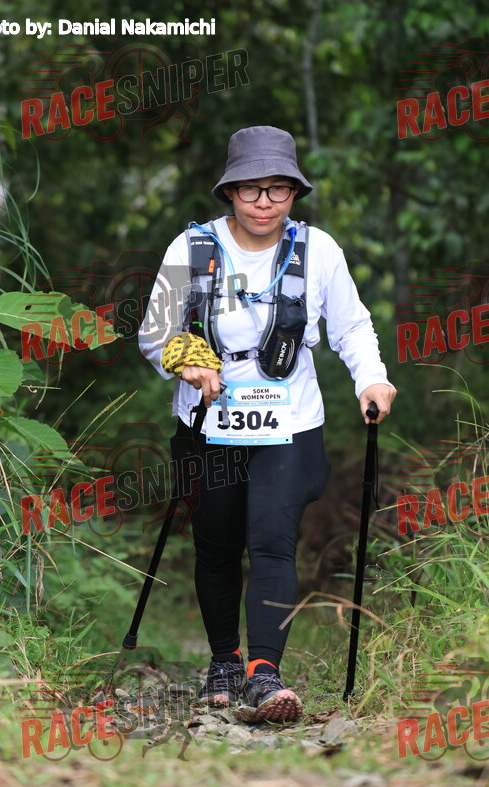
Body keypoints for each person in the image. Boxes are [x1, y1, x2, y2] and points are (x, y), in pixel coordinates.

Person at [139, 126, 396, 724]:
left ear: (294, 193)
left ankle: (264, 674)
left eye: (278, 189)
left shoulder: (318, 250)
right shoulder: (193, 248)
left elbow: (352, 326)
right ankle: (224, 662)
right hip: (209, 418)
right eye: (251, 189)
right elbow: (155, 331)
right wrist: (189, 360)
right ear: (230, 191)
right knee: (217, 542)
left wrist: (371, 379)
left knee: (273, 539)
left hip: (291, 420)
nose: (264, 202)